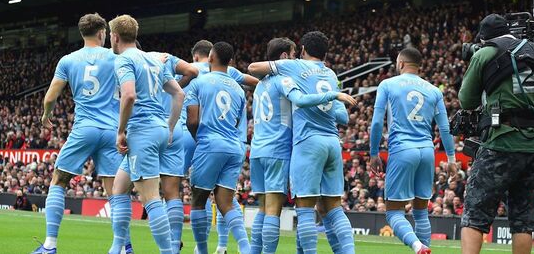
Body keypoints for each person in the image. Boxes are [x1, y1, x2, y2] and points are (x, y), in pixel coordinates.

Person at [458, 14, 534, 254]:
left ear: (484, 37)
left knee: (475, 213)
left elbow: (466, 99)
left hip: (500, 142)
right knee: (524, 220)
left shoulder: (485, 53)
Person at [248, 31, 356, 254]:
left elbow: (255, 69)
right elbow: (343, 117)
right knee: (334, 208)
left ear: (304, 51)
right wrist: (332, 98)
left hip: (296, 144)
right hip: (332, 143)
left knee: (298, 210)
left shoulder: (286, 72)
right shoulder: (330, 74)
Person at [31, 13, 123, 254]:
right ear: (102, 33)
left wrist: (45, 115)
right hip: (112, 130)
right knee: (115, 190)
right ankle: (123, 246)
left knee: (59, 180)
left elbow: (50, 97)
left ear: (82, 34)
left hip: (84, 128)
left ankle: (50, 245)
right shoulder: (115, 57)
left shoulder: (68, 60)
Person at [110, 43, 199, 254]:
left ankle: (167, 250)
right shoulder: (162, 58)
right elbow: (192, 72)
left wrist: (120, 130)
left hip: (145, 130)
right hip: (170, 127)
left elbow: (128, 96)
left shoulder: (131, 62)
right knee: (122, 187)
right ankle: (120, 248)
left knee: (150, 197)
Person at [369, 47, 457, 254]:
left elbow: (375, 123)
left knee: (393, 213)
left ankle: (418, 247)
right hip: (427, 151)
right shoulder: (434, 90)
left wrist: (374, 153)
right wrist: (451, 158)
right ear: (419, 66)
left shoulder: (388, 84)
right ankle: (423, 248)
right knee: (421, 213)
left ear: (400, 64)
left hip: (402, 149)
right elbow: (444, 128)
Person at [179, 40, 258, 254]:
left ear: (211, 57)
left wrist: (200, 139)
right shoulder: (239, 89)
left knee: (198, 199)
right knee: (226, 203)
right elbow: (236, 121)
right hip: (234, 146)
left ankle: (202, 250)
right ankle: (246, 248)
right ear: (230, 61)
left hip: (209, 143)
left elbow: (192, 121)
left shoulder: (198, 83)